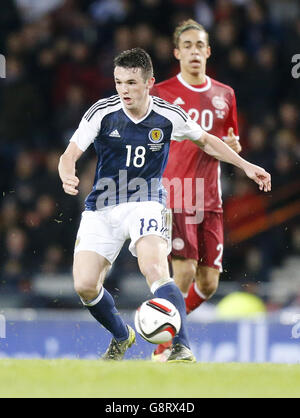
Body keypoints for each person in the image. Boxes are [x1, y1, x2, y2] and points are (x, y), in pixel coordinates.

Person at [58, 48, 271, 363]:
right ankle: (122, 336)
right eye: (118, 82)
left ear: (149, 82)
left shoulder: (168, 114)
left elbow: (208, 140)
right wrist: (67, 174)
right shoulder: (101, 112)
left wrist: (245, 165)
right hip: (103, 206)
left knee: (155, 268)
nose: (124, 90)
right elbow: (70, 153)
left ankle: (180, 346)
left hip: (147, 200)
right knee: (86, 285)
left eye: (131, 82)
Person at [151, 19, 243, 361]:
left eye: (198, 46)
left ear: (208, 51)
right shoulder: (161, 93)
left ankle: (163, 329)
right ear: (177, 53)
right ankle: (169, 345)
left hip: (211, 198)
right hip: (177, 193)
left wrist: (234, 145)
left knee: (208, 284)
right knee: (185, 270)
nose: (193, 52)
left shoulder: (225, 95)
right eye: (186, 46)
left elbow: (231, 141)